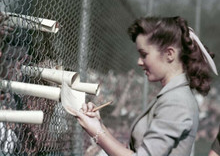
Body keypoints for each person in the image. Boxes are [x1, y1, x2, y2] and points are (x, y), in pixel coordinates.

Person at [68, 16, 218, 156]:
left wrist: (97, 133)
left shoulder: (176, 101)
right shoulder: (171, 95)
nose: (139, 62)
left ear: (169, 54)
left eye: (144, 54)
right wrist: (99, 126)